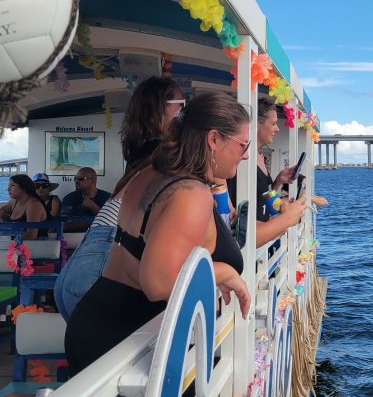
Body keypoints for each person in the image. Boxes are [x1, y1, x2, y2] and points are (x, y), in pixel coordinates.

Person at [64, 91, 252, 376]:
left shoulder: (150, 173)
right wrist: (224, 272)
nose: (247, 154)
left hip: (98, 322)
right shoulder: (191, 193)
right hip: (128, 340)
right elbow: (158, 282)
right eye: (242, 144)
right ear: (214, 139)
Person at [55, 76, 183, 322]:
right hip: (103, 256)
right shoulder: (163, 154)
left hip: (87, 255)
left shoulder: (141, 150)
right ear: (163, 108)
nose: (182, 112)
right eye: (180, 104)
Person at [255, 97, 306, 247]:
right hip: (254, 244)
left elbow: (264, 195)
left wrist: (278, 181)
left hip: (264, 238)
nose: (277, 128)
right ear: (257, 124)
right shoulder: (245, 161)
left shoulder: (260, 157)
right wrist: (287, 218)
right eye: (273, 123)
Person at [60, 167, 111, 231]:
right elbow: (64, 225)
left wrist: (94, 207)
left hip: (101, 236)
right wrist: (94, 223)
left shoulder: (107, 197)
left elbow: (112, 222)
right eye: (75, 178)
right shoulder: (69, 198)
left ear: (93, 181)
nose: (76, 181)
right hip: (75, 238)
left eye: (81, 179)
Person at [0, 174, 47, 240]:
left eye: (12, 185)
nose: (8, 189)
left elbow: (31, 237)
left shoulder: (33, 205)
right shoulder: (14, 201)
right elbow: (2, 210)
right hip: (17, 244)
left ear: (23, 188)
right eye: (8, 186)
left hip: (37, 247)